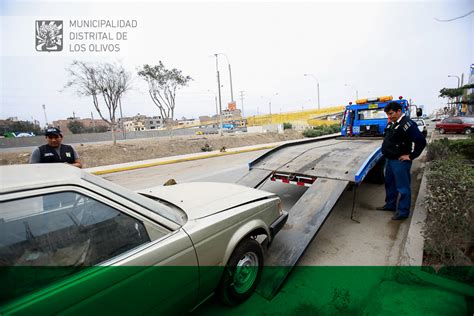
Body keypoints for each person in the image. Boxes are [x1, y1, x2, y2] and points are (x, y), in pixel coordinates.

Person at [377, 102, 426, 220]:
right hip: (390, 160)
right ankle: (390, 205)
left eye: (391, 114)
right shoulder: (392, 123)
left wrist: (412, 156)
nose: (389, 116)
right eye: (388, 114)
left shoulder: (407, 124)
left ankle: (403, 212)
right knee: (390, 184)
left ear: (399, 111)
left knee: (402, 187)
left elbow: (421, 141)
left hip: (400, 161)